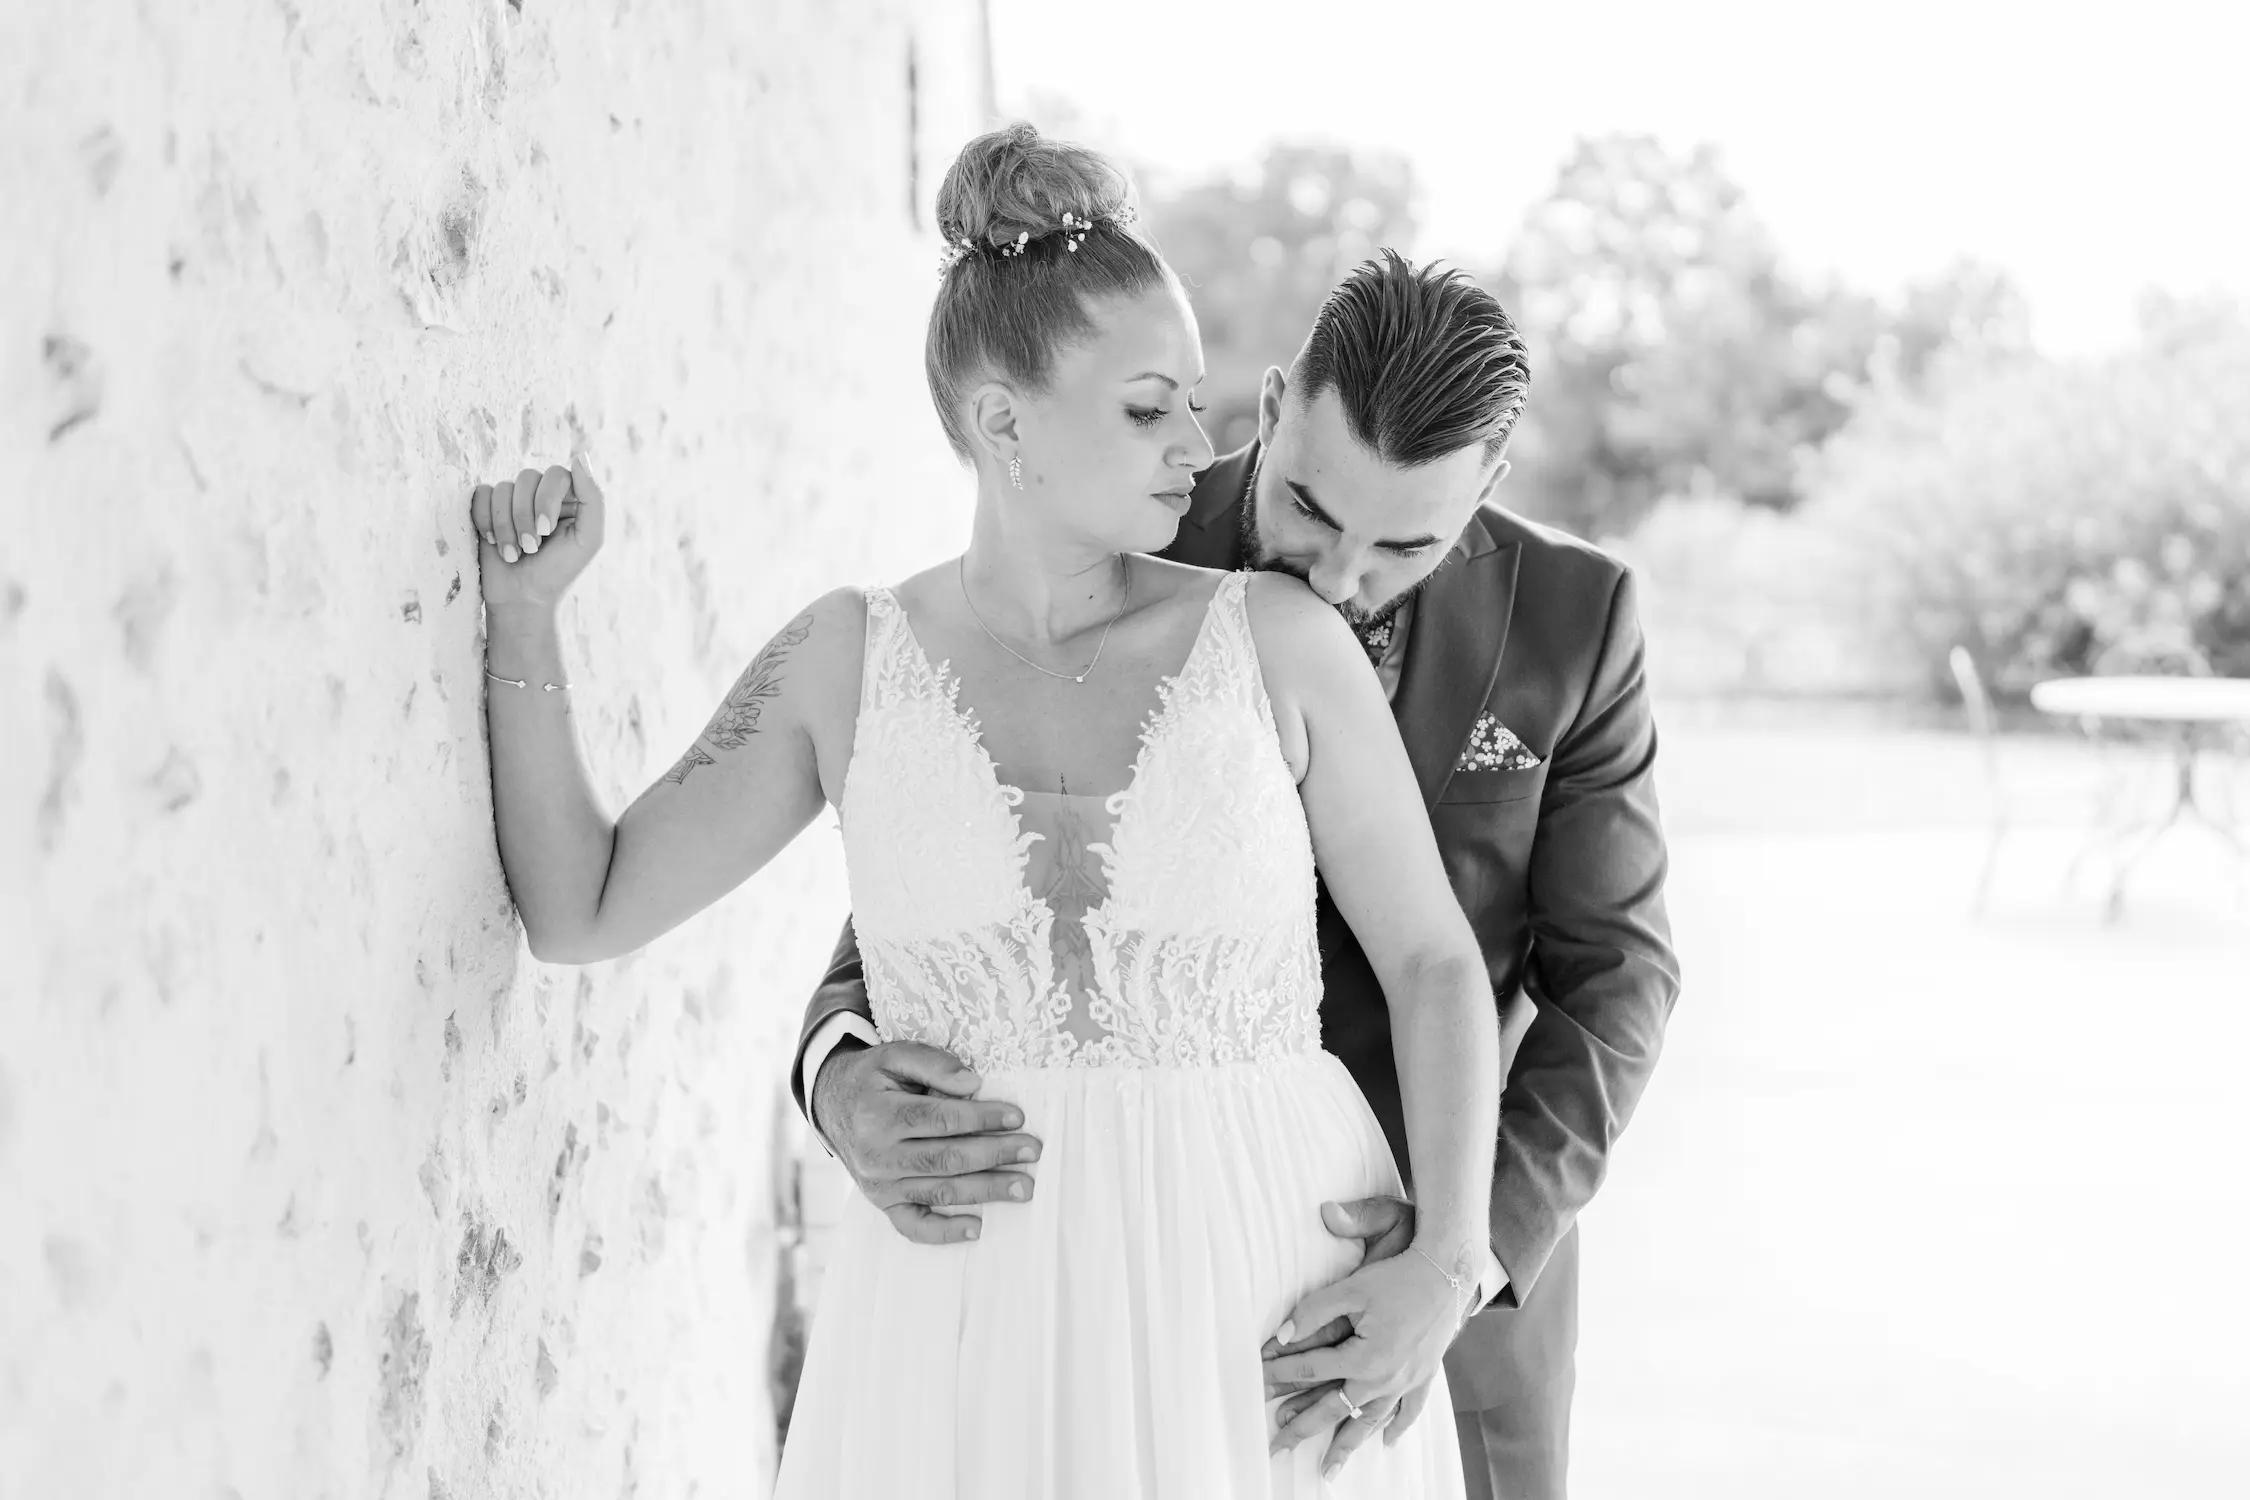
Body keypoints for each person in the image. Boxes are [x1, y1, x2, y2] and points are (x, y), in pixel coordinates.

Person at [470, 122, 1500, 1498]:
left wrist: (1444, 1258)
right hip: (961, 1320)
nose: (1199, 447)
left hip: (1259, 1291)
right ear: (1000, 420)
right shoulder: (844, 661)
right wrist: (526, 617)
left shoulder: (1278, 641)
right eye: (1147, 408)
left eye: (1192, 400)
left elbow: (1434, 961)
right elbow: (580, 908)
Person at [796, 246, 1681, 1498]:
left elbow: (1618, 981)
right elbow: (952, 837)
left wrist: (1459, 1250)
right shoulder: (1104, 526)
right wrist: (834, 1069)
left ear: (1488, 486)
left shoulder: (1576, 621)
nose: (1337, 579)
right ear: (1269, 411)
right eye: (1311, 509)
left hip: (1460, 1269)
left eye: (1403, 544)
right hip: (1122, 1267)